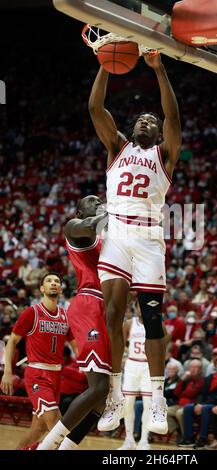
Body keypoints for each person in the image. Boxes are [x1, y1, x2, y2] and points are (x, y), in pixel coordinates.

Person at [89, 52, 181, 434]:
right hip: (117, 233)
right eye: (142, 118)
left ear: (158, 134)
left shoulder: (165, 154)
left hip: (147, 237)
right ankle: (114, 391)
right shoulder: (118, 148)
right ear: (133, 128)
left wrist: (159, 69)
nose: (148, 120)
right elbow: (95, 106)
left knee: (151, 317)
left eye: (152, 121)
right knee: (111, 314)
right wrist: (105, 65)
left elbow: (173, 117)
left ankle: (157, 398)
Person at [37, 195, 112, 450]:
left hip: (107, 307)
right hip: (88, 303)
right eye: (92, 201)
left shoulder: (107, 238)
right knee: (98, 386)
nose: (98, 201)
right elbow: (92, 226)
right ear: (80, 212)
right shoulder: (74, 226)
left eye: (99, 199)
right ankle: (47, 446)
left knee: (103, 395)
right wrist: (114, 211)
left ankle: (65, 448)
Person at [0, 272, 76, 449]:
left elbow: (76, 347)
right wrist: (8, 372)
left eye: (57, 281)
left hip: (56, 375)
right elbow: (12, 341)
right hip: (37, 374)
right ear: (42, 288)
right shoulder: (32, 312)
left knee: (38, 429)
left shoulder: (66, 316)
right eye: (49, 281)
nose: (53, 283)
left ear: (61, 289)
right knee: (57, 425)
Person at [118, 302, 152, 451]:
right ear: (136, 308)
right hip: (132, 364)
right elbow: (120, 343)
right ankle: (129, 440)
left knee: (149, 405)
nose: (141, 309)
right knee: (128, 404)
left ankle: (144, 441)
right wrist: (122, 358)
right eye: (139, 306)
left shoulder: (156, 324)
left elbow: (166, 341)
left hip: (148, 366)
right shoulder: (129, 324)